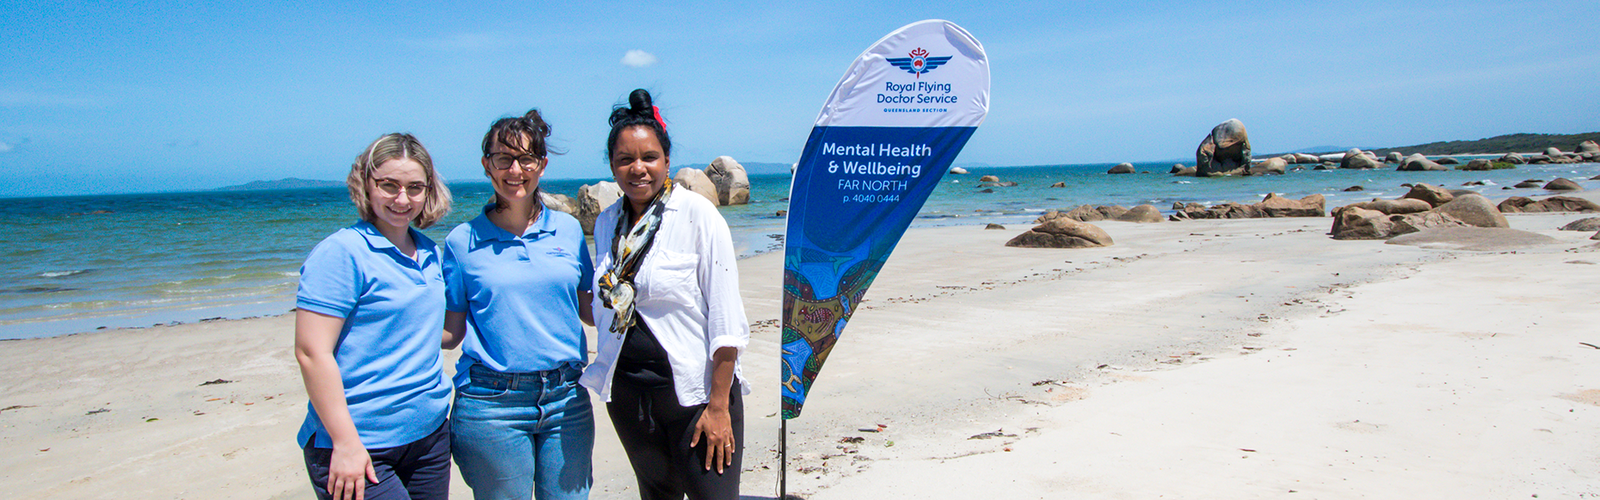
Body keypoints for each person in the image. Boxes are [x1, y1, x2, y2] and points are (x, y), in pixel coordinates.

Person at [581, 89, 750, 500]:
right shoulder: (607, 222)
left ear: (667, 161)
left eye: (649, 157)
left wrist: (719, 406)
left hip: (695, 396)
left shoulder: (697, 215)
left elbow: (726, 321)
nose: (637, 168)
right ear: (612, 166)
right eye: (625, 159)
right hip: (628, 396)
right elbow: (604, 307)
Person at [442, 109, 596, 500]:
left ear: (541, 165)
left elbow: (590, 309)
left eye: (526, 159)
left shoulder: (568, 229)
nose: (515, 170)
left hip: (567, 399)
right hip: (491, 406)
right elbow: (450, 331)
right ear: (486, 165)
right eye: (503, 159)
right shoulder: (462, 241)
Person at [294, 132, 455, 500]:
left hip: (428, 436)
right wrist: (345, 442)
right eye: (389, 185)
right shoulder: (341, 252)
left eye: (415, 187)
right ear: (365, 184)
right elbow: (310, 352)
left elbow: (428, 333)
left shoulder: (429, 252)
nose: (403, 199)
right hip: (359, 444)